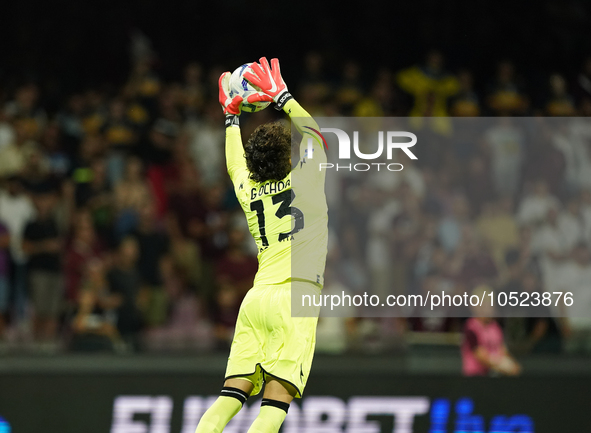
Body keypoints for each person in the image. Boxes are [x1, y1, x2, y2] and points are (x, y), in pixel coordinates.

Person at [195, 58, 328, 433]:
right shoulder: (307, 183)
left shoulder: (247, 189)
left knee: (228, 398)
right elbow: (316, 136)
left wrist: (230, 117)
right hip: (295, 298)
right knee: (274, 403)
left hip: (256, 299)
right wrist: (282, 97)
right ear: (288, 158)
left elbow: (235, 164)